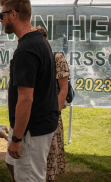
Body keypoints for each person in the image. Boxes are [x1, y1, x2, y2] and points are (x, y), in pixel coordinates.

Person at [0, 0, 59, 182]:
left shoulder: (27, 49)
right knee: (11, 163)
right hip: (34, 125)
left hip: (31, 130)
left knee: (30, 177)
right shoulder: (38, 41)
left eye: (2, 15)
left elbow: (26, 98)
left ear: (13, 14)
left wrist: (17, 138)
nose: (1, 20)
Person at [35, 26, 69, 181]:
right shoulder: (31, 58)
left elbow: (63, 90)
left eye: (42, 36)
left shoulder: (57, 58)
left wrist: (55, 113)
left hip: (51, 114)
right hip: (33, 115)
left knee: (49, 155)